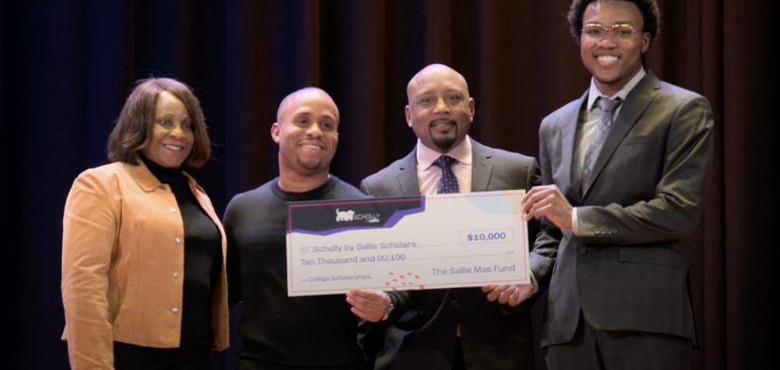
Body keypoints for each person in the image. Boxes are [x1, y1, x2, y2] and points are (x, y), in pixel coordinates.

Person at [515, 0, 714, 369]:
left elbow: (677, 212)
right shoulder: (554, 125)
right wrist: (530, 276)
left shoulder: (683, 109)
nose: (607, 42)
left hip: (645, 323)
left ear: (644, 41)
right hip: (566, 329)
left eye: (622, 30)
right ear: (580, 38)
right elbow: (553, 234)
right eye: (594, 30)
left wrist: (577, 218)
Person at [358, 63, 542, 370]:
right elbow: (377, 276)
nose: (442, 109)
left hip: (499, 353)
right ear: (408, 115)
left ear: (471, 108)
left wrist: (531, 276)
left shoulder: (518, 171)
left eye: (453, 99)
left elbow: (549, 240)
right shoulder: (378, 188)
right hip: (410, 355)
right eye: (427, 101)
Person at [222, 87, 396, 370]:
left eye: (327, 125)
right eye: (303, 121)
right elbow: (221, 296)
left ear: (336, 139)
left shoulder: (363, 209)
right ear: (277, 132)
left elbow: (394, 295)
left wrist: (386, 305)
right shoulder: (243, 209)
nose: (315, 131)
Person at [61, 77, 229, 369]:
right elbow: (83, 290)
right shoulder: (100, 185)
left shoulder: (195, 192)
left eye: (187, 125)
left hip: (196, 353)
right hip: (131, 356)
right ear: (139, 125)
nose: (179, 133)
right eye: (165, 122)